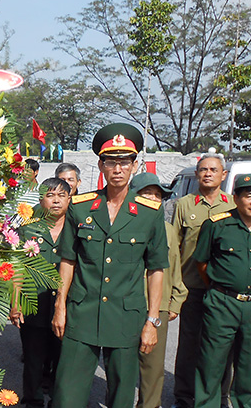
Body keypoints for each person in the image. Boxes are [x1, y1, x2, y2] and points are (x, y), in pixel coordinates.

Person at [52, 123, 168, 408]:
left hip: (126, 316)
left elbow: (156, 269)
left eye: (124, 162)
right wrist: (60, 306)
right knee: (67, 394)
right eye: (111, 162)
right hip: (82, 312)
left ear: (135, 165)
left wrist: (152, 321)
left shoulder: (148, 212)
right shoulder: (80, 207)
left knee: (121, 395)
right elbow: (68, 259)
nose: (118, 169)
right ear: (101, 165)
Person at [193, 174, 251, 408]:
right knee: (212, 362)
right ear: (236, 198)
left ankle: (246, 404)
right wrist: (221, 288)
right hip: (222, 303)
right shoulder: (216, 225)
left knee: (250, 364)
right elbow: (202, 262)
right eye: (249, 196)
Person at [173, 153, 235, 408]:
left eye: (213, 169)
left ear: (224, 175)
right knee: (188, 346)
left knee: (223, 349)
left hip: (223, 291)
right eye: (203, 169)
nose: (208, 173)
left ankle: (220, 397)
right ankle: (184, 396)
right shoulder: (184, 205)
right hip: (192, 288)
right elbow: (174, 249)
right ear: (197, 174)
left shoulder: (233, 206)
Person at [10, 177, 69, 408]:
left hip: (65, 308)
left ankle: (59, 399)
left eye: (61, 195)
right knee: (34, 361)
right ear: (41, 199)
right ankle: (33, 401)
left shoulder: (79, 227)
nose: (56, 201)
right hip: (33, 304)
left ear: (69, 199)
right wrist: (15, 303)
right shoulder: (27, 229)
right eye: (50, 195)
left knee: (62, 359)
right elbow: (16, 268)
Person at [131, 173, 189, 408]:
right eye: (147, 194)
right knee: (121, 364)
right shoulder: (122, 224)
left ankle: (149, 405)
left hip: (159, 306)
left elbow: (175, 267)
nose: (153, 199)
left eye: (157, 195)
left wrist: (175, 301)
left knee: (152, 366)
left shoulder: (168, 229)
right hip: (125, 303)